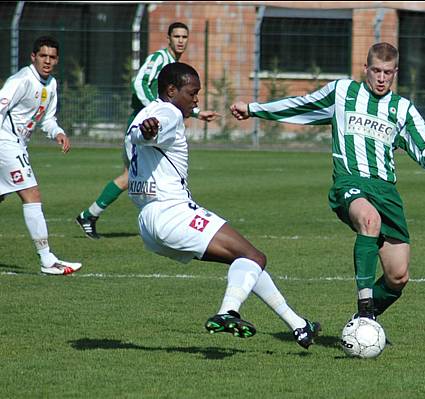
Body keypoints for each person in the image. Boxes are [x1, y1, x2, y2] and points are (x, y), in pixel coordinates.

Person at [230, 42, 425, 320]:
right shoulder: (342, 93)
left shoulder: (403, 109)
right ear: (365, 68)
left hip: (386, 191)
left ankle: (361, 323)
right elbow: (302, 105)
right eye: (377, 71)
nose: (382, 78)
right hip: (350, 183)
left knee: (398, 277)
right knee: (369, 220)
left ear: (396, 72)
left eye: (388, 73)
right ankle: (365, 306)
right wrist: (253, 109)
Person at [126, 62, 320, 348]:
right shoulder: (166, 115)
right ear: (171, 90)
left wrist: (145, 131)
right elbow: (152, 131)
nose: (196, 99)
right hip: (171, 212)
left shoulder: (144, 114)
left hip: (147, 222)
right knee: (254, 258)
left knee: (244, 261)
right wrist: (148, 132)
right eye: (192, 93)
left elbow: (138, 135)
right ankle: (227, 312)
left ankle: (298, 325)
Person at [76, 22, 219, 239]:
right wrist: (155, 109)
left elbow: (176, 101)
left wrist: (198, 113)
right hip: (145, 128)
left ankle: (91, 214)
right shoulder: (159, 59)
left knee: (129, 177)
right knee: (131, 177)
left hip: (155, 129)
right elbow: (139, 83)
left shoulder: (174, 65)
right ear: (168, 38)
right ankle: (92, 215)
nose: (181, 40)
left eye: (184, 37)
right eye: (177, 36)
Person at [0, 36, 82, 275]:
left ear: (57, 60)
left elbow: (47, 118)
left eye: (52, 57)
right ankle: (47, 259)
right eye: (43, 56)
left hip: (17, 145)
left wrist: (58, 133)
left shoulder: (51, 84)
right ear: (33, 57)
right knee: (32, 193)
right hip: (5, 143)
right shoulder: (22, 80)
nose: (47, 61)